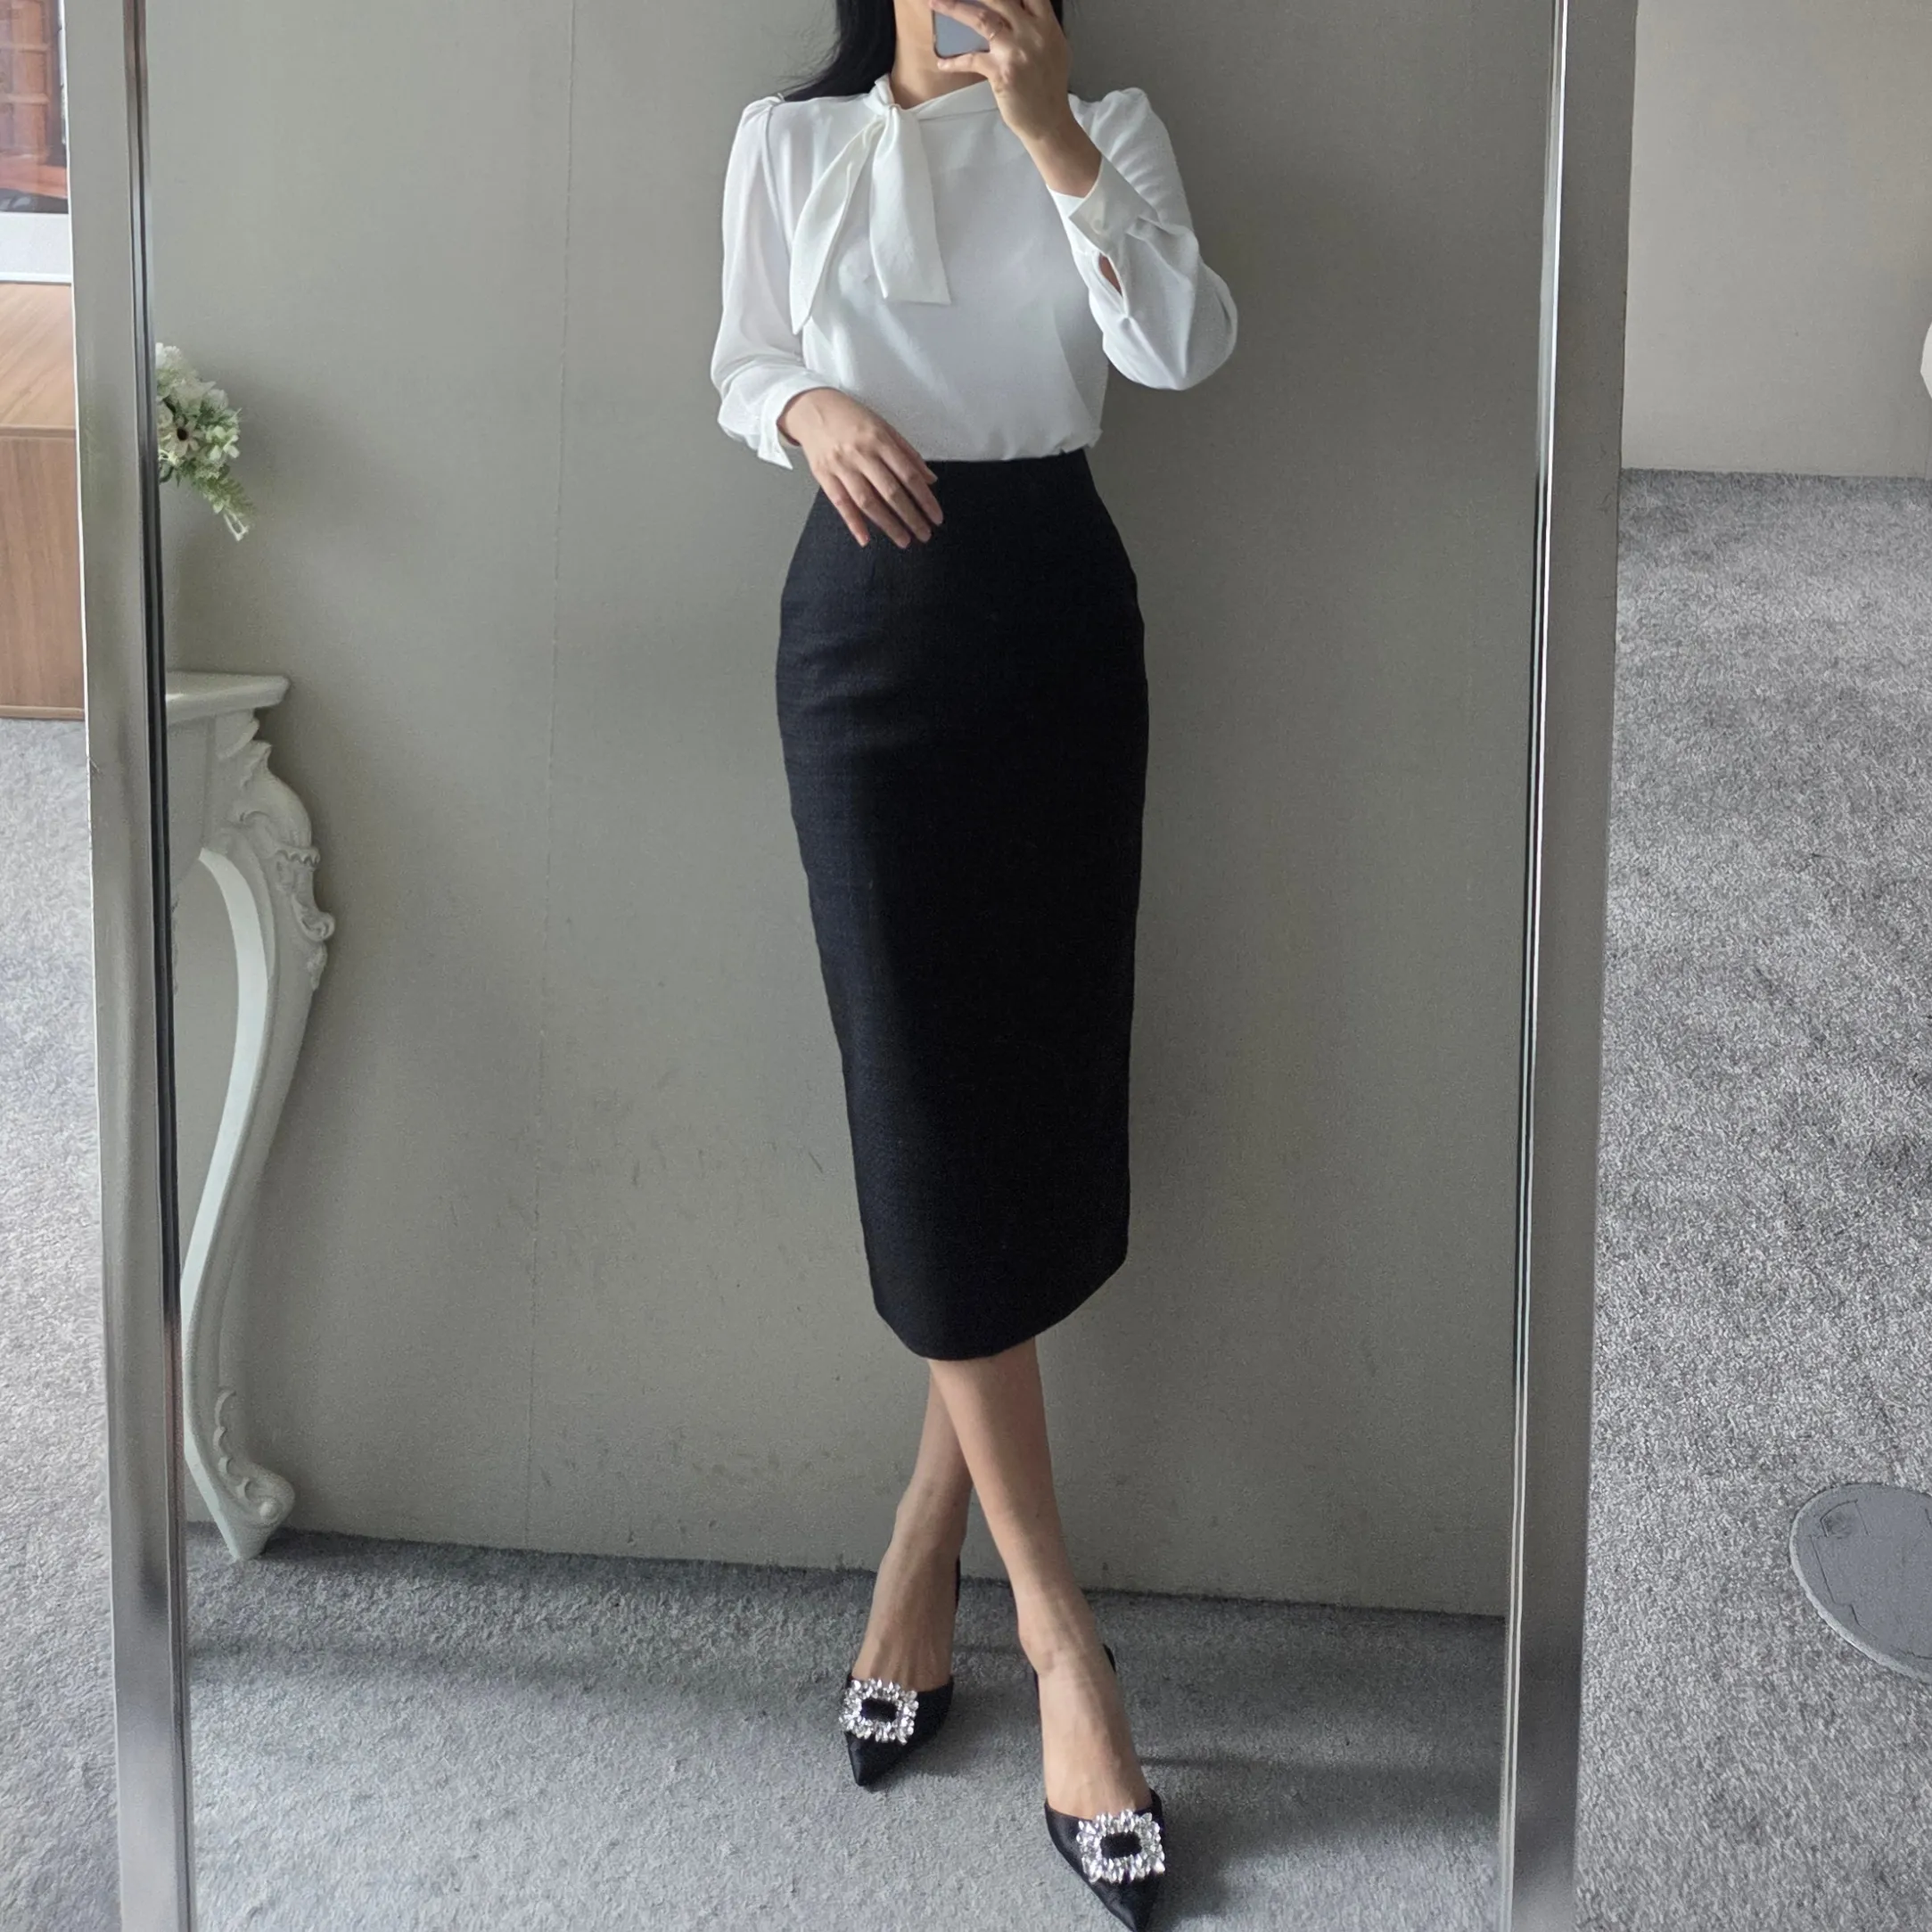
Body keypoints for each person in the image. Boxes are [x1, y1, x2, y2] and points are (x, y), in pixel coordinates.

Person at [710, 1, 1235, 1922]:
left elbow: (1179, 345)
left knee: (1032, 1079)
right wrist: (807, 412)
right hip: (866, 627)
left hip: (1056, 617)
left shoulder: (1109, 126)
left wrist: (1052, 138)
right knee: (922, 1104)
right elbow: (740, 359)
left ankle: (923, 1545)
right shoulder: (788, 141)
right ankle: (1061, 1637)